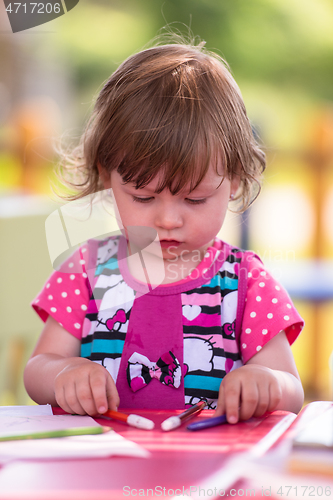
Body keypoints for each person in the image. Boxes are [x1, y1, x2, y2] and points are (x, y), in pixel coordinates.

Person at [24, 39, 304, 424]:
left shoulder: (245, 282)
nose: (168, 220)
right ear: (108, 176)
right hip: (105, 468)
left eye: (195, 199)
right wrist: (62, 374)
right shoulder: (86, 270)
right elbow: (38, 368)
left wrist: (264, 381)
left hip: (208, 471)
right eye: (143, 197)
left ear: (235, 180)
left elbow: (291, 387)